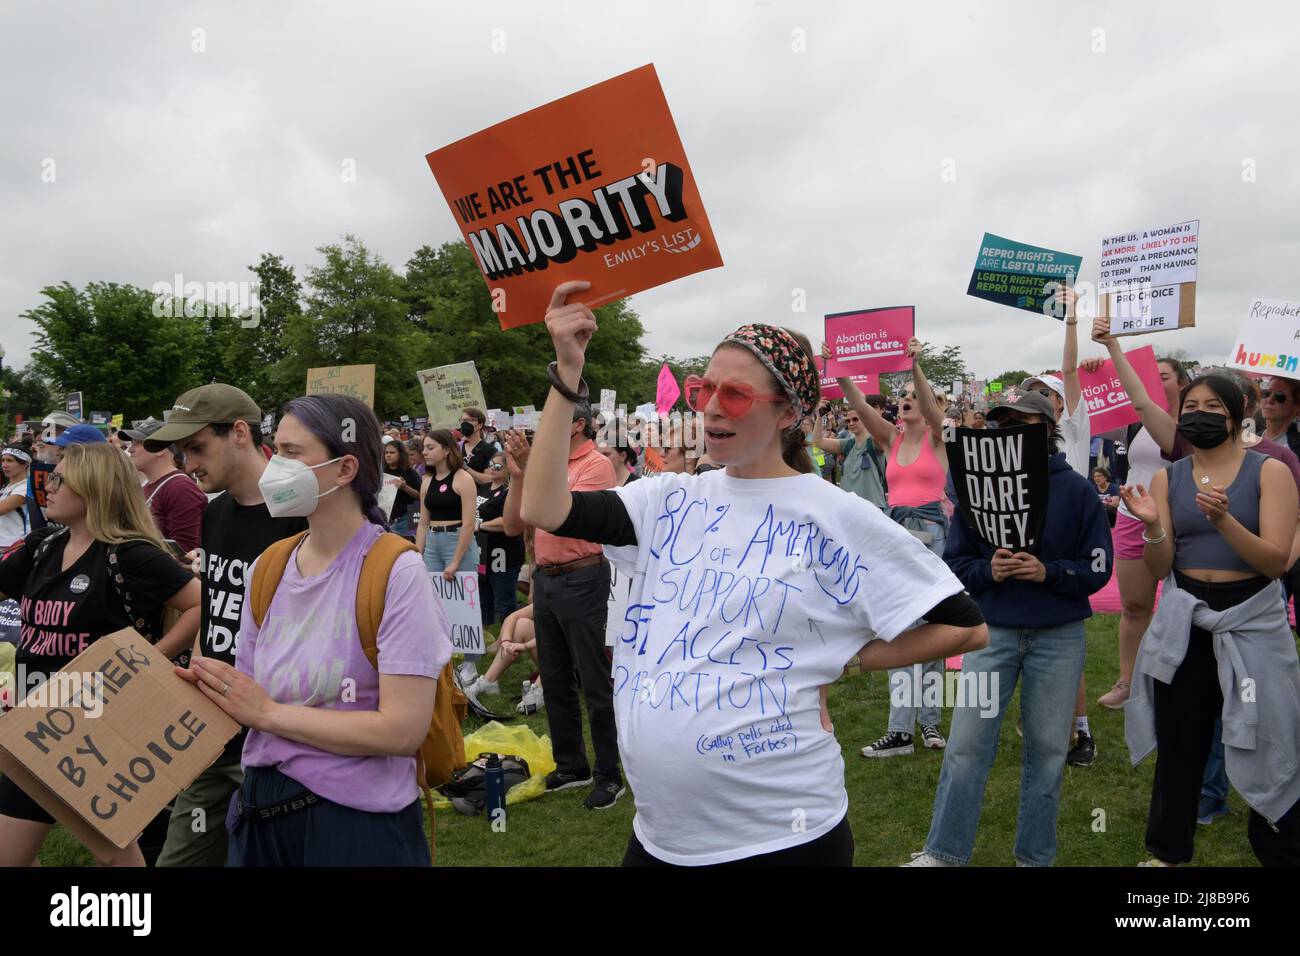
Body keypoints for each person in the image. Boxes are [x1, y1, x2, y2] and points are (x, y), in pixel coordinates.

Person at [521, 280, 987, 864]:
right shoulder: (667, 498)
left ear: (789, 412)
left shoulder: (832, 514)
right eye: (704, 388)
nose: (712, 406)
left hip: (782, 837)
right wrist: (567, 373)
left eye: (736, 395)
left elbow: (965, 625)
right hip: (660, 840)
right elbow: (543, 509)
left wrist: (845, 659)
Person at [178, 394, 450, 866]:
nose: (274, 466)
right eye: (275, 449)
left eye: (290, 452)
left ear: (344, 470)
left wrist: (269, 715)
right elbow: (247, 692)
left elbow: (403, 731)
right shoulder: (270, 566)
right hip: (263, 816)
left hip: (355, 827)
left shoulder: (396, 572)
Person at [904, 391, 1113, 867]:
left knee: (1047, 751)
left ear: (1046, 428)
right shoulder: (978, 489)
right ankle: (942, 853)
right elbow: (956, 562)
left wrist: (1050, 572)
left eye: (1022, 421)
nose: (1009, 431)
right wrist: (989, 572)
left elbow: (1097, 566)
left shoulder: (1078, 490)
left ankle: (1035, 858)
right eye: (1003, 423)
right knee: (965, 745)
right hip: (990, 632)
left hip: (1058, 636)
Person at [1120, 375, 1300, 866]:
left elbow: (1275, 562)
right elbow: (1161, 569)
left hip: (1251, 622)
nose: (1199, 413)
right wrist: (1154, 526)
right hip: (1189, 619)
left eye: (1212, 405)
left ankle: (1280, 849)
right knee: (1182, 739)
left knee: (1270, 735)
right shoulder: (1169, 477)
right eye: (1191, 405)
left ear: (1238, 411)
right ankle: (1167, 852)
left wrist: (1225, 520)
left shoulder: (1270, 472)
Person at [0, 444, 200, 867]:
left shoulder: (128, 554)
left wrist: (145, 664)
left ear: (93, 488)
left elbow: (201, 604)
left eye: (58, 480)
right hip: (34, 723)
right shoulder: (43, 544)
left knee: (113, 854)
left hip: (93, 733)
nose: (47, 488)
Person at [148, 383, 310, 868]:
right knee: (181, 858)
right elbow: (217, 601)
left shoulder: (299, 514)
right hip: (210, 723)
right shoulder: (214, 511)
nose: (188, 464)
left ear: (239, 432)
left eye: (196, 448)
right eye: (182, 452)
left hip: (273, 731)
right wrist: (199, 659)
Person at [834, 336, 953, 757]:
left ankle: (931, 725)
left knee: (936, 631)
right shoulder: (891, 440)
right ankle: (901, 731)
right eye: (900, 397)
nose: (904, 401)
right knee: (901, 628)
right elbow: (863, 407)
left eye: (910, 397)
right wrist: (841, 371)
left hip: (934, 537)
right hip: (897, 537)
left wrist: (914, 366)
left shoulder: (940, 440)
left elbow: (935, 413)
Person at [504, 400, 625, 810]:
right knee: (554, 678)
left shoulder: (596, 465)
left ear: (578, 425)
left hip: (583, 575)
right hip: (548, 578)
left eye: (554, 418)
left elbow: (565, 513)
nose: (545, 425)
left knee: (594, 679)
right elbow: (516, 521)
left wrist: (536, 466)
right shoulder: (547, 462)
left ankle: (610, 774)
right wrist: (522, 473)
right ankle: (571, 764)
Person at [416, 429, 481, 685]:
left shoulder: (463, 479)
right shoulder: (426, 481)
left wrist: (455, 561)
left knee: (465, 601)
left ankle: (471, 662)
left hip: (457, 539)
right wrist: (417, 553)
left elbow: (468, 524)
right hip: (433, 540)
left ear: (446, 450)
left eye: (430, 447)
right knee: (435, 601)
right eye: (424, 447)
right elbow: (423, 522)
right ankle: (444, 656)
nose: (424, 452)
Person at [123, 418, 208, 554]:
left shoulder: (180, 488)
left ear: (159, 449)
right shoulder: (147, 487)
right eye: (132, 442)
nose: (130, 449)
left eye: (138, 442)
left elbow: (186, 552)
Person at [476, 450, 525, 634]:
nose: (492, 468)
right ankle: (483, 631)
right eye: (490, 464)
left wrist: (480, 525)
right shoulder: (484, 488)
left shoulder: (509, 493)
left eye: (498, 466)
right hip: (483, 551)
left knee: (504, 597)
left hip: (503, 553)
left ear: (508, 469)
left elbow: (507, 522)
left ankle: (508, 635)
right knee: (483, 593)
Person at [810, 401, 887, 510]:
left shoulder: (874, 443)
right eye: (847, 420)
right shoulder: (847, 444)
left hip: (872, 507)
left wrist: (865, 408)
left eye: (855, 419)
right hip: (848, 508)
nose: (851, 423)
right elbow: (817, 442)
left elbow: (882, 434)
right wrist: (820, 416)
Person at [464, 603, 537, 702]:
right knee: (521, 624)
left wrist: (525, 646)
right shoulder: (547, 595)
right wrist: (506, 641)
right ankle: (488, 681)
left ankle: (541, 689)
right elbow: (512, 617)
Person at [381, 437, 422, 540]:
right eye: (386, 453)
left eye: (392, 452)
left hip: (406, 518)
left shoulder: (411, 473)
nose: (388, 455)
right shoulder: (381, 473)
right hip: (387, 519)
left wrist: (405, 487)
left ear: (400, 454)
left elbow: (420, 496)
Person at [458, 408, 499, 490]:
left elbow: (489, 479)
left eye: (469, 420)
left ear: (480, 425)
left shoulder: (489, 450)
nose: (465, 423)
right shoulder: (456, 447)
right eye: (463, 420)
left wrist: (466, 468)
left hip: (477, 498)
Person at [0, 444, 32, 548]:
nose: (4, 465)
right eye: (3, 460)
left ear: (25, 464)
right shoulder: (8, 486)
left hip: (12, 546)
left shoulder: (25, 487)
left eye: (10, 461)